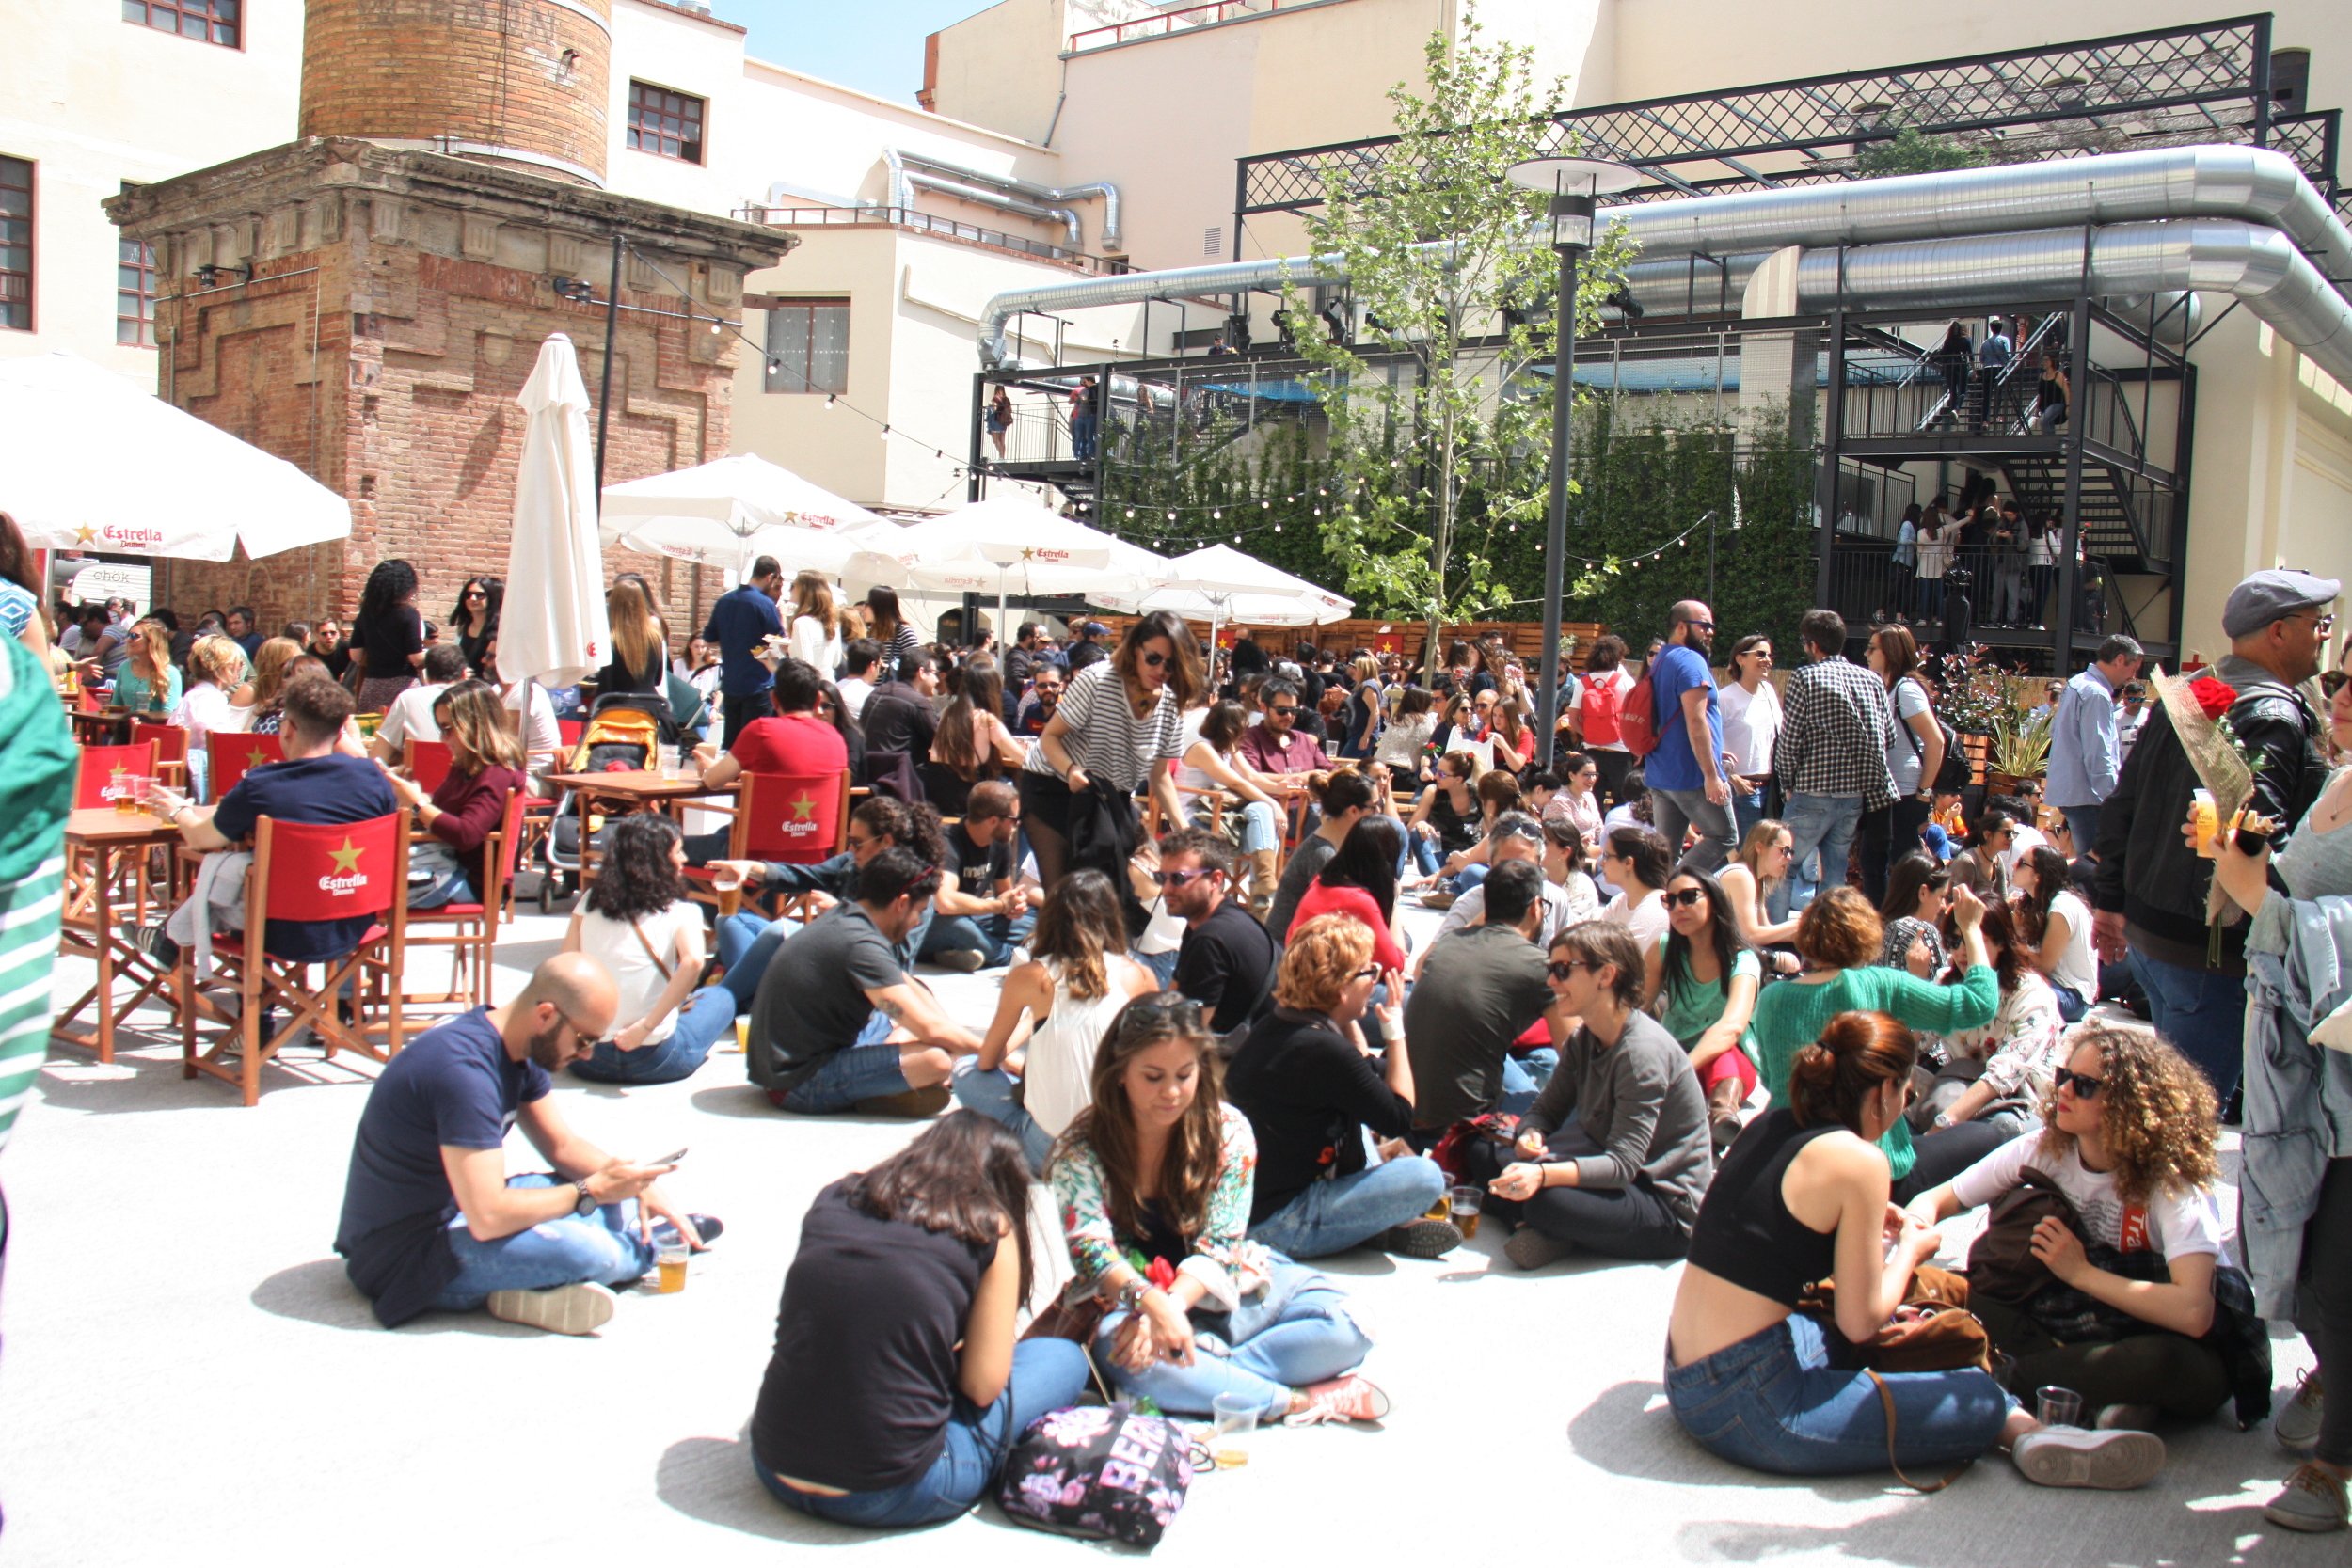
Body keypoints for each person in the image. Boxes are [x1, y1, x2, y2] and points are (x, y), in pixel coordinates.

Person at [1665, 1010, 2165, 1487]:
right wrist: (1909, 1249)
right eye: (1905, 1091)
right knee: (1972, 1394)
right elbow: (1864, 1319)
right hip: (1753, 1404)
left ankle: (2021, 1428)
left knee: (1845, 1328)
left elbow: (1765, 1233)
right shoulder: (1861, 1161)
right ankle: (2024, 1431)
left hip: (1686, 1371)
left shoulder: (1771, 1125)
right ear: (1885, 1089)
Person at [332, 950, 709, 1334]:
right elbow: (489, 1216)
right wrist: (592, 1189)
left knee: (602, 1195)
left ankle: (529, 1284)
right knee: (588, 1250)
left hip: (460, 1209)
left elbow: (562, 1146)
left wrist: (636, 1185)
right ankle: (644, 1249)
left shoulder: (516, 1045)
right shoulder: (463, 1074)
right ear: (546, 1014)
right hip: (405, 1254)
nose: (588, 1054)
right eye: (584, 1039)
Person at [1048, 995, 1386, 1424]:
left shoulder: (1228, 1130)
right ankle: (1294, 1401)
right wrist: (1152, 1306)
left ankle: (1213, 1374)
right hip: (1126, 1303)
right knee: (1130, 1357)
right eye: (1153, 1077)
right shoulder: (1080, 1150)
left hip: (1222, 1288)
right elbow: (1092, 1252)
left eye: (1184, 1075)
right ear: (1119, 1075)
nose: (1171, 1092)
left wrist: (1169, 1309)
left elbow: (1222, 1245)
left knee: (1351, 1326)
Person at [752, 1111, 1086, 1529]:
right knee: (1062, 1358)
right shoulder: (989, 1226)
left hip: (775, 1465)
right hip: (892, 1490)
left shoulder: (836, 1196)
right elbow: (982, 1388)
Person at [1908, 1024, 2233, 1434]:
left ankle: (2005, 1383)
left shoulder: (2170, 1184)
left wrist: (2080, 1273)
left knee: (2157, 1362)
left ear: (2129, 1104)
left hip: (2163, 1340)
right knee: (1930, 1285)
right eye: (2063, 1077)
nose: (2062, 1090)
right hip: (2068, 1321)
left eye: (2084, 1085)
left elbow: (2194, 1313)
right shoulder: (2048, 1147)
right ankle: (2097, 1400)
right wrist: (1911, 1227)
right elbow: (1940, 1199)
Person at [2093, 568, 2338, 1101]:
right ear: (2278, 631)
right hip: (2206, 952)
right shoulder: (2273, 711)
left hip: (2152, 935)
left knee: (2168, 1109)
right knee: (2186, 1125)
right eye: (2320, 623)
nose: (2325, 635)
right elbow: (2255, 837)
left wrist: (2111, 902)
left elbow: (2123, 804)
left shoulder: (2181, 699)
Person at [2202, 673, 2352, 1528]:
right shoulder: (2337, 777)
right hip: (2301, 1050)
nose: (2344, 696)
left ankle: (2338, 1457)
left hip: (2342, 1060)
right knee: (2301, 1231)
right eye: (2342, 679)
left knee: (2338, 1260)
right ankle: (2335, 1371)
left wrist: (2262, 896)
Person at [1467, 920, 1712, 1267]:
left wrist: (1543, 1174)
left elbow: (1624, 1165)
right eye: (1550, 969)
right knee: (1479, 1149)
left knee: (1545, 1200)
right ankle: (1537, 1227)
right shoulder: (1585, 1038)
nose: (1551, 981)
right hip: (1603, 1166)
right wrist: (1530, 1134)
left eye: (1563, 970)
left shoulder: (1640, 1054)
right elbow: (1545, 1110)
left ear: (1606, 975)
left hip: (1661, 1200)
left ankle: (1538, 1222)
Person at [1749, 885, 2005, 1202]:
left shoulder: (1772, 998)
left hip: (1791, 1155)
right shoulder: (1879, 984)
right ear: (1867, 935)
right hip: (1876, 1169)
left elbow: (1771, 1079)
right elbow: (1978, 1004)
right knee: (1991, 1136)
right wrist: (1971, 929)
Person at [1227, 915, 1457, 1259]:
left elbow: (1359, 1071)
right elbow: (1400, 1116)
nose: (1376, 980)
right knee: (1426, 1177)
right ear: (1340, 988)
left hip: (1262, 1198)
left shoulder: (1278, 1024)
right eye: (1370, 972)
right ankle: (1373, 1224)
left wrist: (1348, 1020)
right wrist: (1395, 1030)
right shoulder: (1325, 1050)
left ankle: (1369, 1223)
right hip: (1282, 1222)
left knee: (1365, 1128)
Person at [951, 870, 1157, 1170]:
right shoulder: (1140, 976)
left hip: (1050, 1149)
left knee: (966, 1070)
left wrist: (1020, 1042)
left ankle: (1006, 1147)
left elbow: (986, 1061)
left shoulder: (1030, 976)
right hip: (1119, 1146)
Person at [747, 848, 979, 1116]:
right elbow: (930, 1030)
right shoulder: (862, 946)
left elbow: (907, 989)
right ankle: (879, 1088)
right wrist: (1005, 1058)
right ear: (901, 903)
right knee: (936, 1060)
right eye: (918, 911)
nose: (917, 922)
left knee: (917, 998)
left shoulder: (849, 916)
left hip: (783, 1064)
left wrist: (953, 1040)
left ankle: (885, 1081)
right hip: (798, 1083)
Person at [1022, 610, 1200, 892]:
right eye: (1154, 658)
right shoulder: (1097, 681)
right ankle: (1052, 932)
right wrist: (1071, 769)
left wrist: (1182, 827)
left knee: (1109, 896)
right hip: (1053, 787)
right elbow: (1049, 737)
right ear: (1134, 650)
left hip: (1109, 799)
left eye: (1172, 664)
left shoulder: (1169, 704)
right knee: (1064, 895)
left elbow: (1160, 774)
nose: (1162, 670)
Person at [710, 795, 946, 1006]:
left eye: (857, 842)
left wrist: (844, 916)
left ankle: (723, 1002)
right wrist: (750, 867)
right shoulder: (852, 864)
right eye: (849, 842)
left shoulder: (913, 889)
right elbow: (802, 876)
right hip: (820, 957)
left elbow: (896, 961)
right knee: (729, 921)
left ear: (885, 842)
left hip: (856, 977)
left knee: (778, 931)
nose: (852, 849)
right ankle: (751, 1002)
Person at [559, 816, 735, 1085]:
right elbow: (693, 963)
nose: (685, 859)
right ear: (657, 861)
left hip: (591, 1058)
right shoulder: (682, 911)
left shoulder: (588, 902)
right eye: (677, 852)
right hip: (654, 1057)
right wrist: (645, 1027)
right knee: (720, 998)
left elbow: (566, 964)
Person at [1404, 860, 1555, 1128]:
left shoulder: (1450, 943)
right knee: (1556, 1078)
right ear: (1535, 907)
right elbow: (1576, 1053)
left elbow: (1419, 970)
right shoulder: (1537, 964)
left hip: (1410, 1108)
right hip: (1468, 1127)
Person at [1774, 610, 1897, 913]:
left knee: (1783, 868)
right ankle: (1828, 948)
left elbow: (1789, 742)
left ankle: (1774, 952)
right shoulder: (1871, 680)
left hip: (1811, 791)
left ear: (1813, 645)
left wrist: (1787, 783)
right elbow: (1889, 737)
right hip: (1854, 795)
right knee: (1835, 875)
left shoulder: (1805, 677)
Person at [1908, 901, 2061, 1138]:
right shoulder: (1949, 983)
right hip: (1961, 1091)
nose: (1960, 951)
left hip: (2019, 1105)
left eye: (1970, 940)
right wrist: (1915, 982)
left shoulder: (2033, 994)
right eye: (1953, 941)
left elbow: (2004, 1074)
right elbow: (1910, 1047)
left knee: (2000, 1128)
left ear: (2001, 943)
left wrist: (1941, 1126)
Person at [378, 679, 528, 911]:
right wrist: (412, 793)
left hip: (466, 879)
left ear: (475, 725)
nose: (442, 738)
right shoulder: (467, 765)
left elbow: (467, 833)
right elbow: (442, 810)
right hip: (444, 866)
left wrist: (417, 803)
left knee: (368, 892)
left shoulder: (497, 771)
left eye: (449, 729)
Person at [1645, 864, 1763, 1150]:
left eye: (1688, 897)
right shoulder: (1663, 948)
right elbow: (1637, 1005)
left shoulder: (1742, 961)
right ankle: (1715, 1120)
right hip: (1677, 1055)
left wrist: (1684, 1067)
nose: (1677, 908)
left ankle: (1723, 1115)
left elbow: (1731, 1027)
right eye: (1669, 900)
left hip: (1729, 1064)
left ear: (1714, 899)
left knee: (1724, 1050)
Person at [1645, 601, 1737, 872]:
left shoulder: (1662, 658)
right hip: (1691, 775)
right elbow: (1695, 721)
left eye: (1712, 627)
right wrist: (1711, 774)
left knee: (1667, 855)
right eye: (1705, 626)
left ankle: (1663, 905)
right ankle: (1679, 887)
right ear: (1682, 627)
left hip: (1661, 773)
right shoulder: (1690, 660)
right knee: (1724, 836)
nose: (1710, 632)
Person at [1857, 624, 1946, 904]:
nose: (1866, 653)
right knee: (1873, 863)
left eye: (1873, 648)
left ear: (1891, 653)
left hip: (1906, 795)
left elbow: (1936, 741)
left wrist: (1923, 794)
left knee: (1904, 869)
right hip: (1882, 794)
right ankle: (1884, 929)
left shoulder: (1906, 690)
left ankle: (1904, 928)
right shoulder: (1883, 688)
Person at [1160, 827, 1278, 1037]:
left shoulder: (1211, 939)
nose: (1166, 889)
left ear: (1215, 880)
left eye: (1178, 878)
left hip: (1258, 1058)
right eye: (1162, 878)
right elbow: (1176, 992)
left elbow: (1188, 1036)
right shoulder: (1207, 921)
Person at [1428, 812, 1588, 958]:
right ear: (1490, 864)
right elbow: (1427, 966)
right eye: (1505, 865)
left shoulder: (1555, 898)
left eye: (1525, 866)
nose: (1515, 875)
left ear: (1539, 864)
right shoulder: (1471, 904)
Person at [2046, 635, 2146, 856]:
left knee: (2089, 864)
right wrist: (2113, 800)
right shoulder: (2096, 693)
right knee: (2096, 867)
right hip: (2088, 795)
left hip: (2075, 792)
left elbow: (2056, 732)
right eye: (2134, 668)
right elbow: (2098, 754)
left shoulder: (2078, 683)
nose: (2133, 676)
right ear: (2120, 659)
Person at [920, 780, 1035, 972]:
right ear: (993, 821)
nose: (1017, 826)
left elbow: (1004, 895)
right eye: (1014, 820)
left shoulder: (999, 842)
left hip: (970, 916)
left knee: (1031, 920)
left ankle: (956, 953)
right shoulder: (948, 844)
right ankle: (1007, 958)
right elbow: (944, 903)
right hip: (930, 924)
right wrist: (998, 906)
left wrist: (1014, 904)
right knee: (959, 927)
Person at [1265, 767, 1380, 943]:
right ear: (1353, 811)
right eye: (1373, 807)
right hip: (1290, 951)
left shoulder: (1333, 845)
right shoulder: (1323, 855)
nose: (1378, 813)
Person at [919, 656, 1023, 817]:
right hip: (964, 798)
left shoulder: (949, 712)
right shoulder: (985, 720)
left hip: (933, 793)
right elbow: (1022, 758)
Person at [704, 557, 786, 747]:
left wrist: (734, 639)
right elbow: (778, 641)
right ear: (770, 577)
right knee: (755, 745)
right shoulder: (765, 604)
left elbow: (709, 636)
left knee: (732, 745)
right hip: (758, 683)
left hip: (731, 682)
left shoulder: (725, 600)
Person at [2011, 845, 2099, 1021]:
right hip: (2053, 987)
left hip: (2071, 997)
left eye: (2022, 863)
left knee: (2004, 985)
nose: (2014, 865)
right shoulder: (2037, 903)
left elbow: (2044, 965)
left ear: (2037, 876)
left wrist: (2012, 939)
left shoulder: (2062, 906)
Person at [169, 634, 252, 799]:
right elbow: (206, 732)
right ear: (224, 667)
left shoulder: (197, 695)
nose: (241, 668)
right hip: (198, 778)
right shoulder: (207, 698)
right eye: (239, 663)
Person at [1718, 635, 1781, 842]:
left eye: (1770, 655)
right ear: (1740, 659)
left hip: (1771, 789)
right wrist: (1732, 778)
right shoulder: (1725, 697)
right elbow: (1708, 743)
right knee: (1747, 853)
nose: (1767, 660)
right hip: (1741, 791)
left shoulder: (1769, 692)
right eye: (1760, 654)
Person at [349, 559, 427, 712]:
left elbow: (355, 655)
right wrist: (435, 654)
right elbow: (416, 657)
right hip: (404, 686)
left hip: (372, 685)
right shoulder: (409, 614)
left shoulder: (365, 614)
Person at [368, 642, 464, 765]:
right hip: (466, 780)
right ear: (464, 675)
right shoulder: (478, 699)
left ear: (426, 676)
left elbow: (378, 758)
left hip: (419, 781)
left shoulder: (408, 698)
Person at [1721, 818, 1801, 965]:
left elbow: (1765, 930)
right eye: (1784, 850)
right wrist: (1799, 923)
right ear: (1759, 847)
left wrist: (1799, 935)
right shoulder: (1741, 876)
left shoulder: (1757, 880)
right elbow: (1750, 935)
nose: (1789, 857)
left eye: (1791, 852)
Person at [1569, 635, 1636, 807]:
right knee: (1623, 803)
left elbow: (1573, 718)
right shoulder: (1626, 681)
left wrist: (1590, 734)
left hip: (1592, 752)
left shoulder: (1583, 683)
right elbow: (1635, 718)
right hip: (1620, 752)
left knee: (1593, 803)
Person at [1406, 751, 1482, 880]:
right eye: (1436, 771)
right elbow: (1411, 827)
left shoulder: (1478, 796)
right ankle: (1440, 882)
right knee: (1416, 833)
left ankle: (1445, 883)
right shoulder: (1433, 792)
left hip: (1466, 855)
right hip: (1438, 853)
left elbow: (1490, 830)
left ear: (1458, 779)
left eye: (1441, 774)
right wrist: (1422, 824)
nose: (1435, 776)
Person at [1599, 824, 1674, 949]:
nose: (1601, 863)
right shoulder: (1620, 900)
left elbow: (1626, 961)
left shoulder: (1655, 907)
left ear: (1628, 863)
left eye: (1607, 856)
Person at [1879, 850, 1950, 977]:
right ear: (1923, 893)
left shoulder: (1879, 931)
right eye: (1941, 896)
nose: (1944, 906)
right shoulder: (1923, 931)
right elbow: (1944, 991)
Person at [596, 577, 667, 696]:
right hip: (650, 703)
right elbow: (657, 679)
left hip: (616, 706)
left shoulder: (609, 640)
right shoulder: (655, 638)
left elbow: (605, 685)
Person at [111, 616, 181, 717]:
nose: (128, 640)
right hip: (125, 729)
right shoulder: (124, 667)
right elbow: (116, 707)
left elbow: (168, 714)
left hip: (154, 729)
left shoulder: (170, 673)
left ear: (152, 641)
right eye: (128, 635)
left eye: (134, 636)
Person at [785, 570, 850, 677]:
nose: (790, 589)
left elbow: (804, 668)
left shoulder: (801, 623)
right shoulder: (833, 622)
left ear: (803, 590)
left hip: (809, 689)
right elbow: (836, 661)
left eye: (793, 585)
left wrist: (774, 667)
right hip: (828, 686)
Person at [233, 637, 305, 732]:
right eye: (292, 662)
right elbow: (228, 734)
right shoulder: (251, 691)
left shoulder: (295, 693)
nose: (299, 667)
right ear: (274, 665)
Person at [1947, 808, 2017, 904]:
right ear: (1987, 834)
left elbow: (2002, 900)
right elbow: (1960, 904)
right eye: (2007, 833)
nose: (2011, 838)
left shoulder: (1997, 860)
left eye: (2013, 833)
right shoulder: (1967, 862)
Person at [862, 586, 924, 683]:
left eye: (867, 604)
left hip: (892, 693)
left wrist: (885, 668)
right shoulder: (868, 632)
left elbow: (915, 664)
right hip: (869, 692)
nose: (863, 608)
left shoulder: (903, 632)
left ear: (879, 606)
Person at [1374, 686, 1438, 775]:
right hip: (1404, 768)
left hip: (1381, 764)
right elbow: (1431, 744)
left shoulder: (1397, 718)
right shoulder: (1423, 721)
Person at [448, 576, 501, 677]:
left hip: (489, 686)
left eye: (479, 595)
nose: (472, 599)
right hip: (464, 684)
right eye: (468, 595)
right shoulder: (463, 627)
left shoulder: (499, 630)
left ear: (491, 597)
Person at [2026, 348, 2071, 435]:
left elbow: (2066, 392)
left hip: (2057, 404)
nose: (2044, 362)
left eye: (2046, 360)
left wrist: (2068, 406)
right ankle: (2051, 440)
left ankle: (2048, 440)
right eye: (2043, 360)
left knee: (2044, 420)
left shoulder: (2058, 375)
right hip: (2046, 405)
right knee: (2048, 423)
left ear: (2052, 361)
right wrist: (2036, 409)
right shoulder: (2041, 376)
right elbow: (2040, 394)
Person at [1012, 660, 1062, 736]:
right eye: (1042, 685)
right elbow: (1022, 738)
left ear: (1061, 687)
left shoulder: (1067, 713)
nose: (1048, 689)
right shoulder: (1031, 711)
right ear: (1035, 688)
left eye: (1053, 685)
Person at [307, 615, 352, 682]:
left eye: (332, 633)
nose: (329, 636)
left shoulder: (348, 649)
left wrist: (349, 674)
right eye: (324, 633)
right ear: (317, 635)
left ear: (338, 634)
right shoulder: (309, 654)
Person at [984, 384, 1015, 460]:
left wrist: (990, 406)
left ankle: (1001, 457)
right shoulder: (1007, 399)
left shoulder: (995, 399)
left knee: (995, 440)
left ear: (996, 390)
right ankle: (1002, 457)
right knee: (1002, 441)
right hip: (1004, 422)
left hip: (996, 420)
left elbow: (994, 409)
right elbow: (1010, 409)